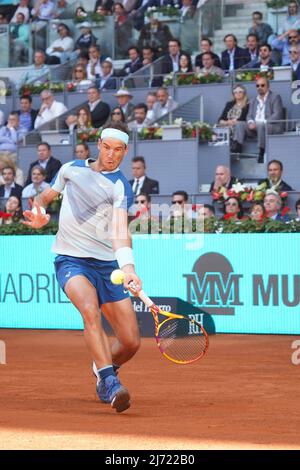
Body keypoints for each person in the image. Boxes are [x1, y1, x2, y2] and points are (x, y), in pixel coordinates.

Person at [23, 122, 142, 414]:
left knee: (130, 342)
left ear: (125, 152)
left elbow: (119, 230)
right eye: (106, 147)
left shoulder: (119, 186)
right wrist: (39, 213)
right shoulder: (70, 169)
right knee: (89, 310)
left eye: (118, 150)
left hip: (106, 265)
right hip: (70, 259)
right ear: (98, 144)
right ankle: (110, 382)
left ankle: (102, 366)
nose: (111, 154)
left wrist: (128, 266)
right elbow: (43, 197)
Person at [233, 77, 284, 162]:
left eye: (262, 85)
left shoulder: (275, 97)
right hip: (256, 127)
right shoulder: (253, 100)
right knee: (240, 124)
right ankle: (238, 148)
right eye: (257, 86)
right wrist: (250, 122)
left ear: (268, 87)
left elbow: (277, 114)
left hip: (271, 126)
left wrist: (262, 122)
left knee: (260, 124)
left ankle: (262, 151)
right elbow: (249, 116)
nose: (259, 87)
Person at [218, 85, 249, 153]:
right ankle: (221, 151)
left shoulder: (248, 104)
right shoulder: (229, 104)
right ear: (233, 94)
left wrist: (234, 122)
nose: (238, 94)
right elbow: (220, 119)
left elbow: (247, 119)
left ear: (244, 93)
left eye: (240, 92)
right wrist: (227, 122)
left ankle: (236, 148)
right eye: (235, 92)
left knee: (236, 126)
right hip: (228, 124)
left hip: (240, 126)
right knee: (218, 128)